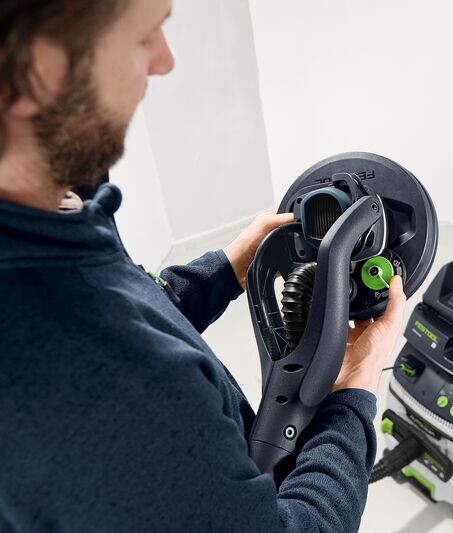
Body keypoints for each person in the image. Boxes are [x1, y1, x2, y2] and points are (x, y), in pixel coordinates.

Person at [0, 1, 406, 532]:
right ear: (36, 70)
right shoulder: (117, 379)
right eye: (144, 36)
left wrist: (224, 271)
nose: (164, 60)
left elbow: (125, 307)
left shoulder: (50, 212)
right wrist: (352, 391)